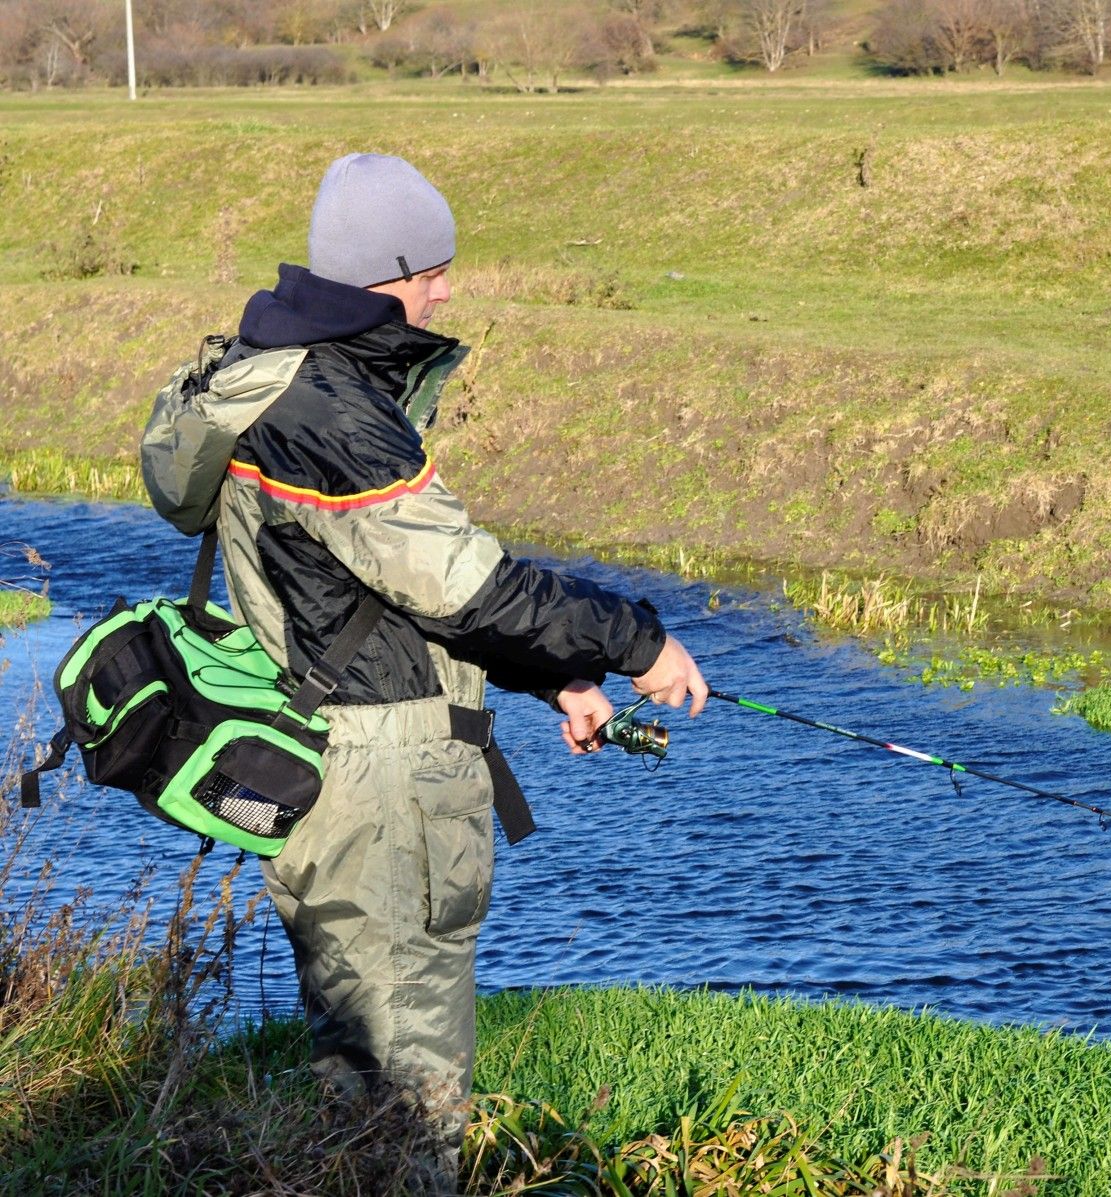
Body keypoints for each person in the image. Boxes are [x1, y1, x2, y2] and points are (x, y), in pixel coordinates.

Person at [139, 152, 707, 1184]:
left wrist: (554, 680)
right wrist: (637, 642)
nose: (445, 290)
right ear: (378, 273)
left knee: (354, 1079)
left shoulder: (277, 373)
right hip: (385, 790)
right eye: (430, 269)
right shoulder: (334, 418)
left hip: (335, 763)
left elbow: (384, 592)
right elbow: (473, 591)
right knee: (410, 1099)